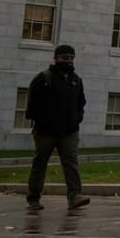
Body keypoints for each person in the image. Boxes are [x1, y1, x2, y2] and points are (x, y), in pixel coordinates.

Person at [25, 44, 88, 210]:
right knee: (40, 163)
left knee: (71, 163)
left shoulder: (76, 80)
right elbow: (32, 105)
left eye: (71, 58)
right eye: (65, 58)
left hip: (69, 131)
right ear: (55, 58)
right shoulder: (43, 78)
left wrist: (77, 119)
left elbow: (81, 103)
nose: (69, 61)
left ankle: (75, 196)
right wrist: (43, 122)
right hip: (45, 131)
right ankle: (33, 197)